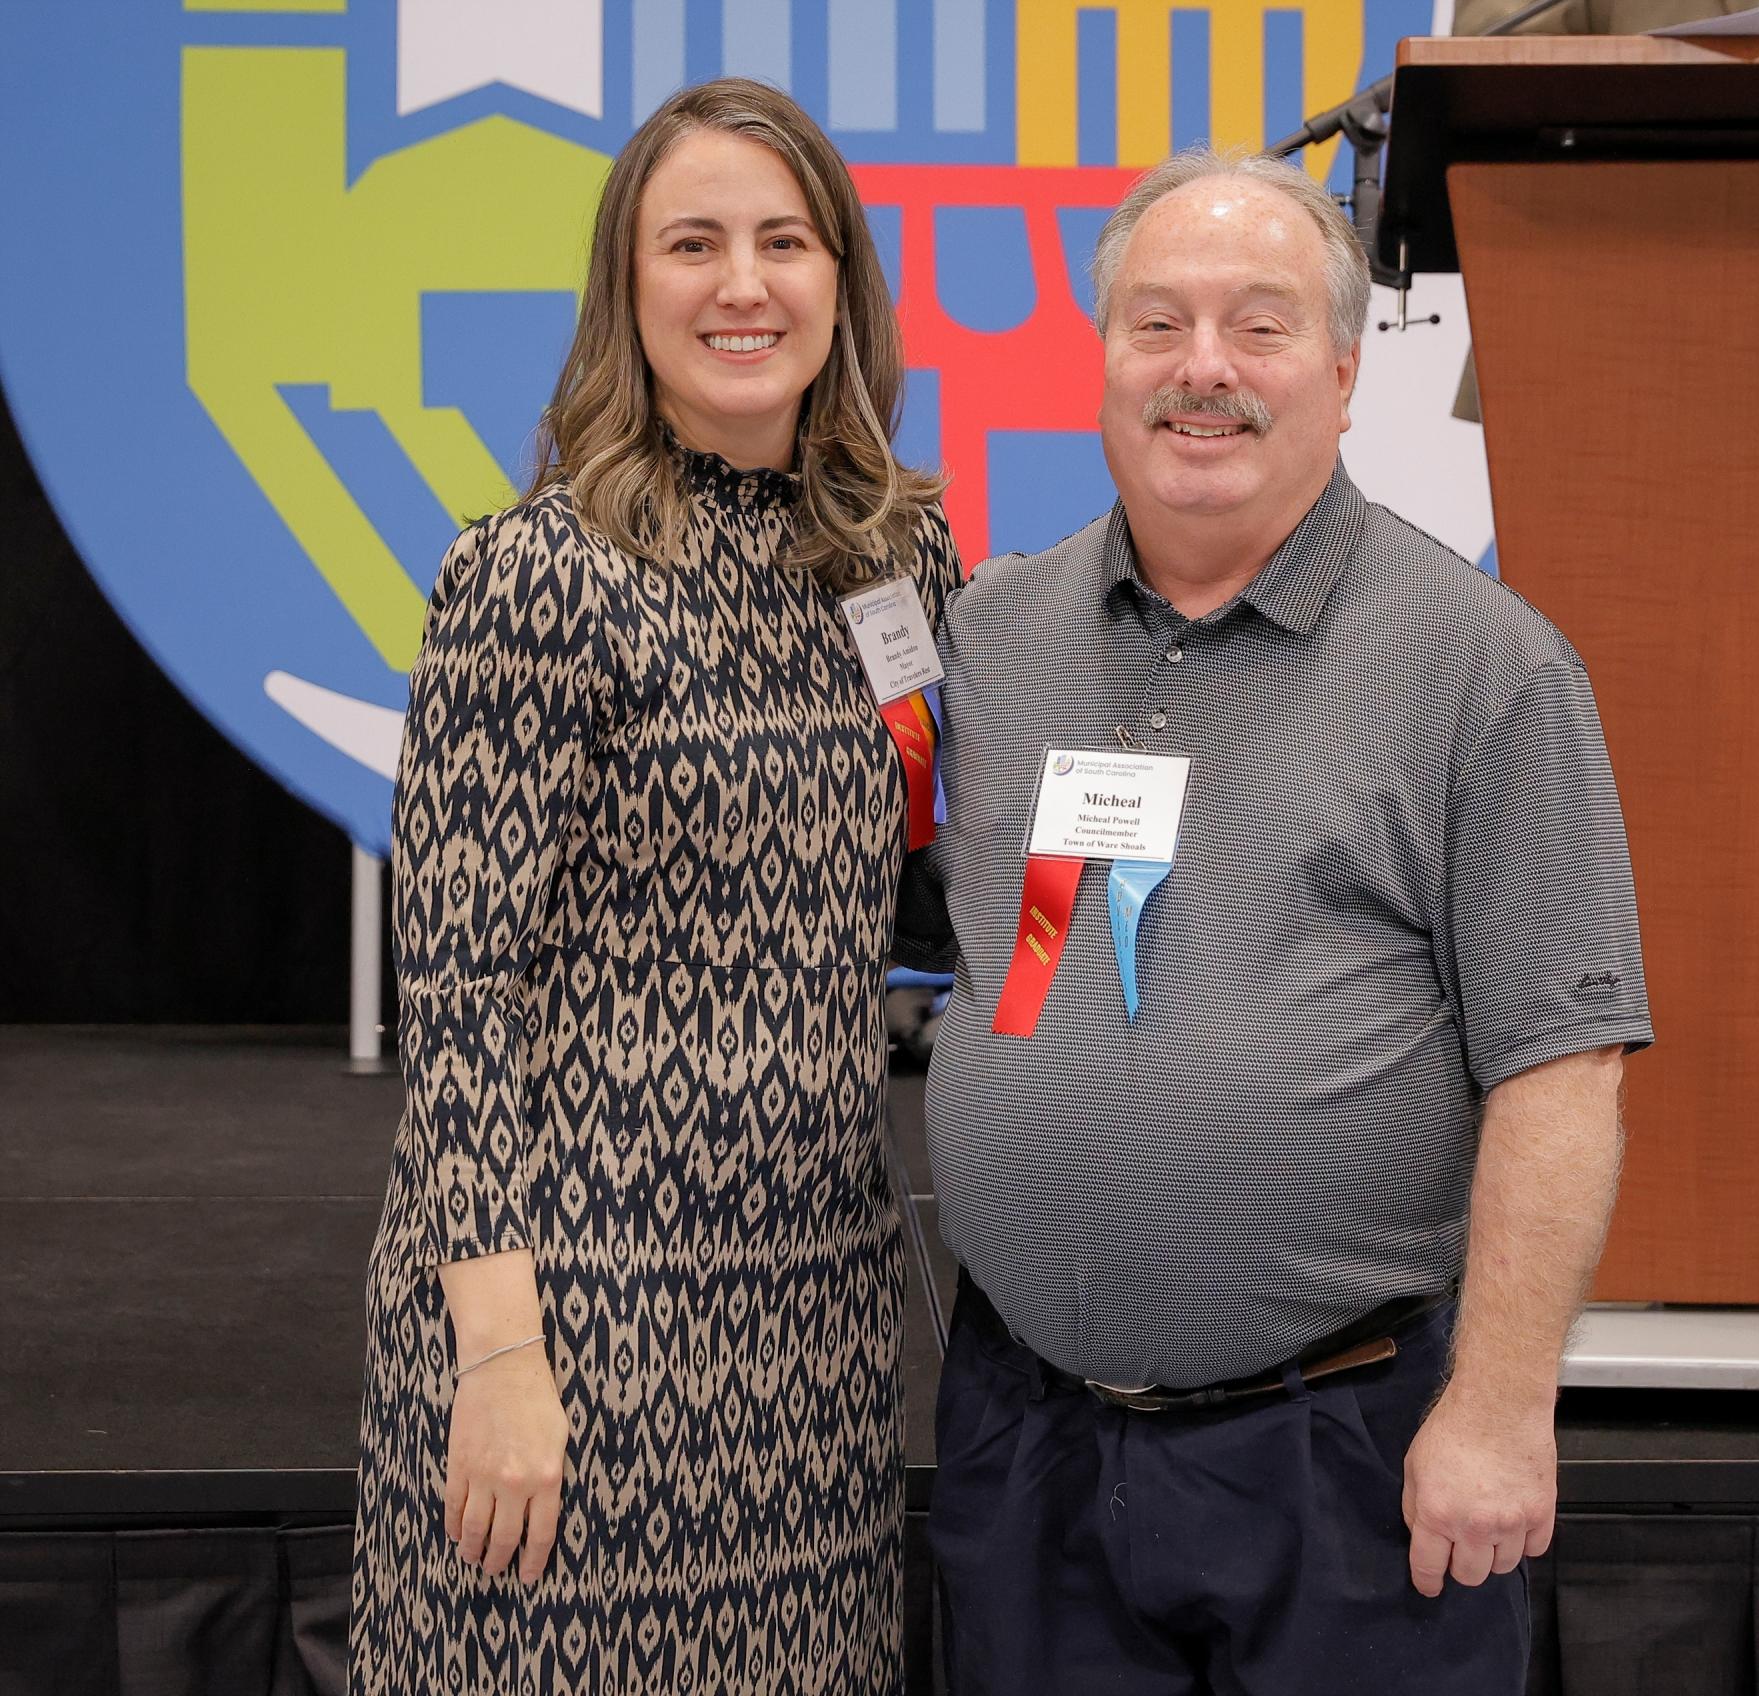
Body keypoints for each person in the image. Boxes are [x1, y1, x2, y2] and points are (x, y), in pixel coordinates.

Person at [895, 147, 1654, 1694]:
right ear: (1100, 359)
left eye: (1258, 325)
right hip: (1026, 1446)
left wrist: (1505, 1409)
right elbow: (1030, 938)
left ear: (1346, 370)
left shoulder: (1484, 670)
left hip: (1342, 1460)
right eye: (1157, 324)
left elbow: (1566, 1073)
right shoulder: (1002, 634)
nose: (1203, 371)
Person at [350, 78, 961, 1696]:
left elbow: (951, 888)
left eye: (783, 239)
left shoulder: (900, 559)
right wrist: (494, 1355)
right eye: (692, 243)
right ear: (629, 288)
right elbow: (461, 1001)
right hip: (574, 1327)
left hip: (811, 1333)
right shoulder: (533, 575)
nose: (742, 285)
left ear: (842, 277)